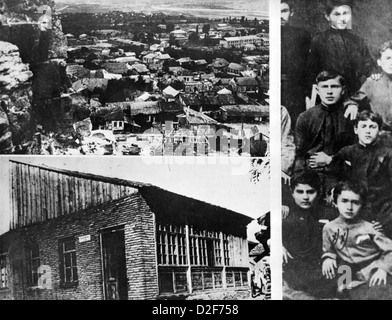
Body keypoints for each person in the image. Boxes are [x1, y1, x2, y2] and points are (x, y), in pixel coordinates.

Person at [322, 180, 392, 300]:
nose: (349, 207)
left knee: (379, 292)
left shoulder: (369, 227)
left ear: (362, 205)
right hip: (348, 270)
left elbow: (390, 250)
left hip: (372, 268)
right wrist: (328, 257)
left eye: (355, 202)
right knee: (337, 290)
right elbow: (328, 248)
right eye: (344, 201)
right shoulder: (329, 228)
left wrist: (382, 268)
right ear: (335, 202)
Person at [329, 111, 392, 237]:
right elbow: (331, 175)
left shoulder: (387, 154)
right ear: (356, 129)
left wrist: (385, 221)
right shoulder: (346, 152)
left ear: (379, 131)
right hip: (351, 208)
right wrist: (331, 190)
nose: (368, 131)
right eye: (363, 126)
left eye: (372, 127)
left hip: (380, 211)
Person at [294, 71, 356, 198]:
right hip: (311, 178)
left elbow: (356, 155)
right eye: (324, 87)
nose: (329, 92)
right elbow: (299, 155)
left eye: (334, 87)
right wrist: (300, 181)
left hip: (341, 177)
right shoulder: (306, 117)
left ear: (343, 90)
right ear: (317, 90)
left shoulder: (350, 117)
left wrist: (330, 161)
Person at [305, 0, 377, 106]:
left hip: (353, 97)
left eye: (345, 14)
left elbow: (368, 68)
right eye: (337, 14)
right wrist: (310, 99)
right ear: (327, 16)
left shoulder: (358, 41)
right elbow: (311, 74)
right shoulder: (319, 40)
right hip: (328, 97)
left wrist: (374, 72)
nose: (342, 19)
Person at [282, 171, 337, 299]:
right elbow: (264, 233)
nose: (305, 197)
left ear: (319, 192)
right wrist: (276, 243)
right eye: (300, 192)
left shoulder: (331, 215)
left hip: (325, 276)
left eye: (310, 192)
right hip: (296, 278)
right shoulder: (286, 214)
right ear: (292, 193)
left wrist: (331, 254)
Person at [351, 41, 392, 147]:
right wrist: (352, 105)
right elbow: (354, 100)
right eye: (388, 58)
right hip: (381, 138)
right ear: (379, 62)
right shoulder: (372, 82)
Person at [281, 0, 311, 127]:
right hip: (274, 88)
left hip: (295, 89)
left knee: (297, 127)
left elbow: (308, 64)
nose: (280, 16)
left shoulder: (302, 35)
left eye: (284, 11)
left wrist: (308, 92)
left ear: (291, 13)